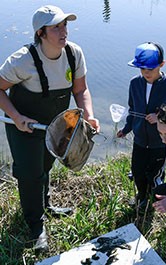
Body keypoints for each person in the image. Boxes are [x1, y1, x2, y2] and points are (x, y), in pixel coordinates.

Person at [0, 5, 100, 251]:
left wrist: (89, 114)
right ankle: (35, 226)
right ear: (41, 33)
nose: (63, 31)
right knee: (30, 173)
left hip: (55, 123)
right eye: (56, 27)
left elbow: (80, 89)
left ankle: (44, 206)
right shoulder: (22, 60)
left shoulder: (74, 54)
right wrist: (16, 115)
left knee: (46, 164)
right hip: (23, 124)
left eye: (65, 25)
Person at [117, 42, 166, 208]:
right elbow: (132, 110)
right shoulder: (135, 84)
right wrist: (126, 129)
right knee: (138, 171)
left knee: (155, 174)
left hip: (160, 142)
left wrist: (160, 117)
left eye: (150, 69)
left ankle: (156, 198)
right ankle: (142, 196)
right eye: (142, 69)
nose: (146, 72)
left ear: (162, 64)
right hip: (139, 140)